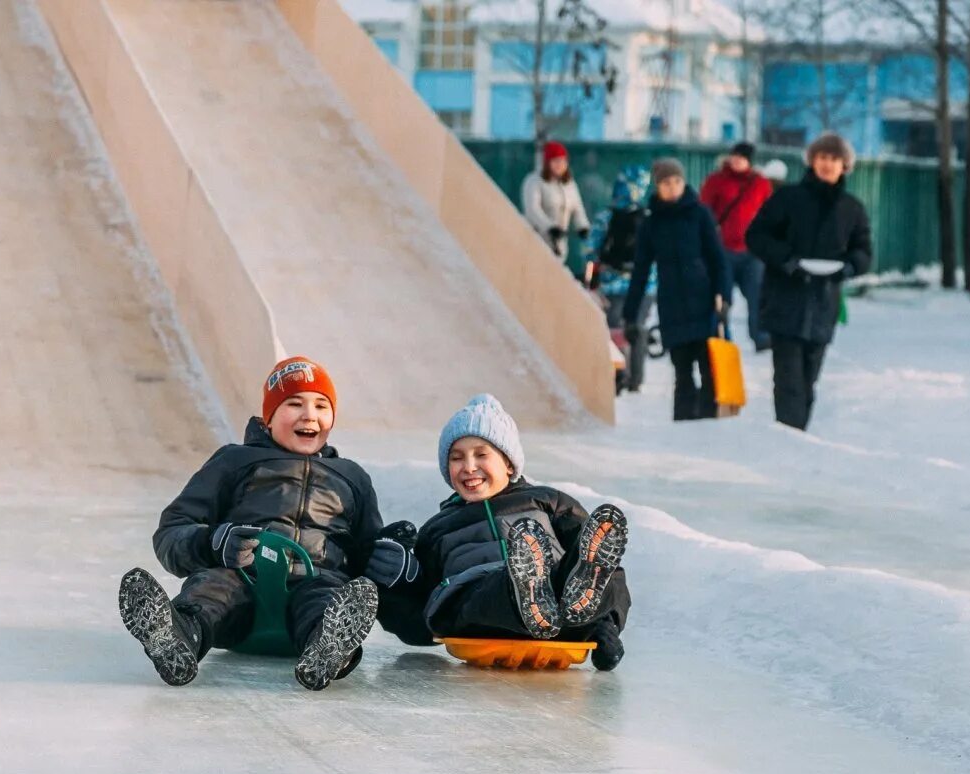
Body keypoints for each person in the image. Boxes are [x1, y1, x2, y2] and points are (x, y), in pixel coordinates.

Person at [117, 357, 386, 691]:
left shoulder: (351, 477)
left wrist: (393, 554)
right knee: (213, 587)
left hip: (315, 588)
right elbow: (172, 530)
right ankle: (180, 636)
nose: (309, 415)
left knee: (328, 596)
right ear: (269, 416)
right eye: (294, 403)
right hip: (242, 591)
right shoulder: (235, 461)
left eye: (321, 405)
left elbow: (368, 553)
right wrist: (214, 542)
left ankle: (330, 647)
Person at [374, 394, 631, 672]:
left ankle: (570, 602)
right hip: (481, 610)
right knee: (483, 593)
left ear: (509, 463)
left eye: (481, 454)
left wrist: (607, 627)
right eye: (456, 458)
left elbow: (610, 570)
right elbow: (420, 618)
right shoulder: (438, 528)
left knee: (585, 567)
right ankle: (528, 592)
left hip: (558, 606)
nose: (469, 467)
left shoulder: (547, 501)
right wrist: (390, 586)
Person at [744, 132, 872, 431]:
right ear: (812, 161)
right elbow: (756, 236)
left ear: (845, 166)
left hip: (823, 304)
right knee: (788, 379)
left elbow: (864, 251)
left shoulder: (851, 208)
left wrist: (848, 268)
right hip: (784, 299)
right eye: (823, 158)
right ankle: (789, 437)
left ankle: (797, 436)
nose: (828, 165)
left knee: (808, 380)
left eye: (834, 160)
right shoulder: (788, 198)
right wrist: (786, 259)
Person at [621, 159, 733, 421]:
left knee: (708, 367)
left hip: (703, 300)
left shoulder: (700, 214)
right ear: (658, 187)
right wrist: (630, 314)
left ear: (684, 183)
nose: (672, 188)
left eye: (677, 182)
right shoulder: (651, 223)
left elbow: (718, 259)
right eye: (666, 183)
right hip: (672, 303)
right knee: (682, 368)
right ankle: (684, 423)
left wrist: (724, 296)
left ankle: (709, 421)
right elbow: (640, 270)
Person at [583, 165, 654, 391]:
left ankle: (618, 374)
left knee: (615, 329)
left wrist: (595, 273)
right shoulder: (649, 216)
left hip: (612, 281)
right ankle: (636, 379)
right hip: (644, 283)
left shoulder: (607, 216)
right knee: (638, 328)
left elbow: (590, 249)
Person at [699, 141, 775, 352]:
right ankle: (720, 336)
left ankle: (761, 337)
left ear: (749, 161)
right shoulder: (716, 181)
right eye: (734, 156)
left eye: (741, 158)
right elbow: (704, 211)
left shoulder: (760, 184)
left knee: (757, 296)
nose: (736, 161)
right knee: (721, 297)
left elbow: (770, 214)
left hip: (752, 251)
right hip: (723, 250)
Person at [522, 141, 590, 260]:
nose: (560, 165)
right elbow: (533, 209)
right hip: (538, 241)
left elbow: (577, 208)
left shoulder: (569, 184)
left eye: (563, 161)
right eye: (556, 161)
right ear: (547, 163)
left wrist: (582, 227)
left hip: (560, 244)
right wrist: (549, 227)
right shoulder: (534, 181)